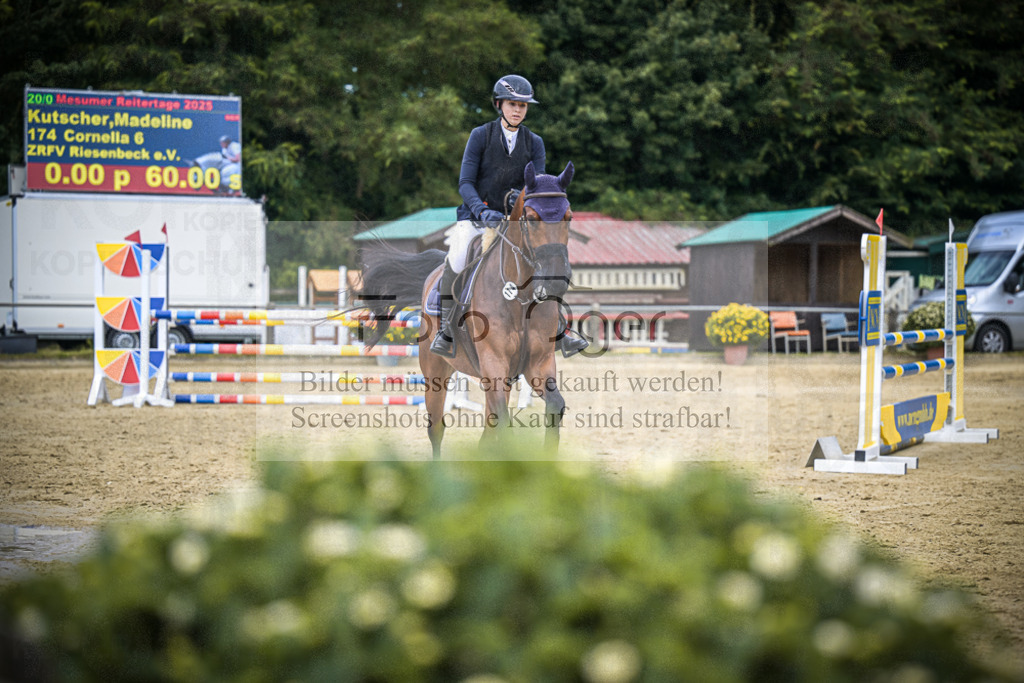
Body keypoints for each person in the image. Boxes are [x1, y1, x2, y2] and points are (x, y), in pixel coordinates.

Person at [430, 74, 589, 359]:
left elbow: (536, 184)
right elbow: (465, 183)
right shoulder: (481, 136)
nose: (517, 110)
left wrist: (520, 201)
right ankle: (446, 328)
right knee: (457, 256)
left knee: (545, 257)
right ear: (498, 104)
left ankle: (561, 328)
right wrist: (481, 210)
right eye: (512, 104)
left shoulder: (534, 142)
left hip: (516, 221)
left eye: (523, 106)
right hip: (477, 216)